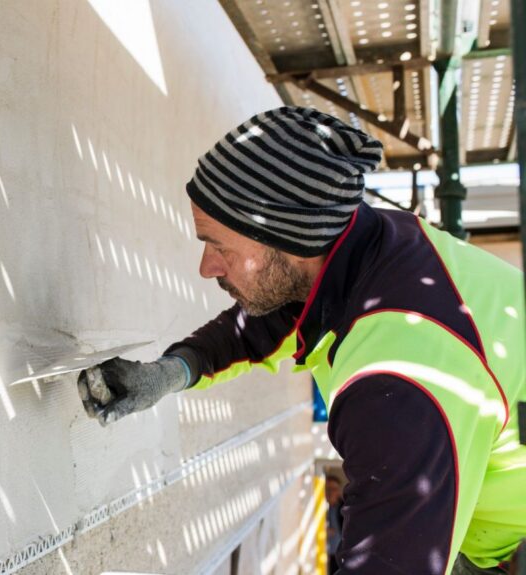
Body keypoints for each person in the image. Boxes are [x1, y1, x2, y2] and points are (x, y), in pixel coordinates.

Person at [77, 107, 526, 574]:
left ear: (290, 238)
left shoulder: (396, 381)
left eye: (220, 246)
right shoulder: (371, 247)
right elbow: (271, 320)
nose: (207, 267)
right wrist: (170, 373)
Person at [325, 475, 343, 574]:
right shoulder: (319, 507)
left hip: (339, 555)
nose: (331, 492)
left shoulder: (345, 509)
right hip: (322, 554)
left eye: (334, 489)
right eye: (328, 489)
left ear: (339, 491)